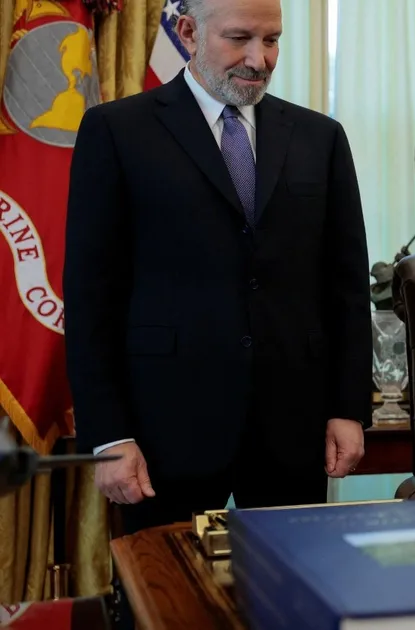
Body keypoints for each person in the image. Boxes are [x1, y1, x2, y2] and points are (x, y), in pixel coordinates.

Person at [64, 0, 370, 534]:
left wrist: (348, 407)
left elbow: (345, 286)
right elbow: (92, 298)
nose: (259, 59)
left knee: (292, 585)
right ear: (188, 32)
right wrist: (109, 435)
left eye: (271, 40)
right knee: (161, 586)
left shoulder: (320, 137)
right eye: (239, 38)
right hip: (162, 432)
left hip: (291, 429)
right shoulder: (117, 130)